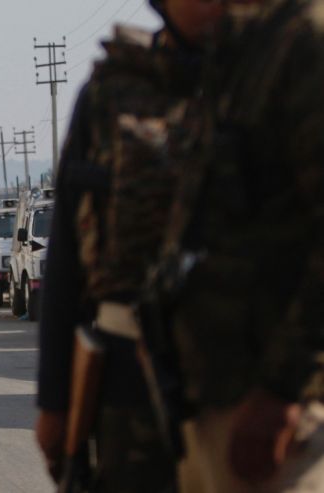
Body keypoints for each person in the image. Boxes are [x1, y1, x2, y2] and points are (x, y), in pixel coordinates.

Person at [34, 0, 222, 490]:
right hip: (130, 382)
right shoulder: (111, 94)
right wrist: (54, 403)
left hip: (255, 387)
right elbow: (68, 261)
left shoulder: (283, 79)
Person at [155, 0, 324, 490]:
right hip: (220, 400)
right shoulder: (238, 51)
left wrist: (283, 390)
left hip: (287, 420)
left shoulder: (305, 42)